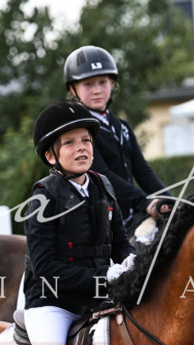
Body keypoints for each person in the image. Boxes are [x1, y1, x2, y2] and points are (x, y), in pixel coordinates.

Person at [0, 101, 134, 345]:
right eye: (70, 142)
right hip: (51, 301)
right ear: (51, 155)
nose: (82, 148)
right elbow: (44, 267)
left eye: (86, 140)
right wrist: (103, 279)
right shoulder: (43, 197)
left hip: (99, 298)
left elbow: (121, 245)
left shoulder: (104, 186)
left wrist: (133, 264)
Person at [63, 45, 169, 231]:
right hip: (97, 219)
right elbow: (101, 175)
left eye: (102, 82)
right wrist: (143, 201)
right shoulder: (78, 131)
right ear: (73, 89)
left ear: (112, 84)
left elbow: (143, 171)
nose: (97, 90)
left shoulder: (123, 127)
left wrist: (169, 199)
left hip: (129, 214)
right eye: (88, 84)